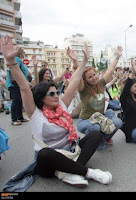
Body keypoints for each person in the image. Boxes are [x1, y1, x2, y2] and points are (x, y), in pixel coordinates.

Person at [0, 35, 112, 190]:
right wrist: (11, 62)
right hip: (49, 162)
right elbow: (25, 88)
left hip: (70, 152)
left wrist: (83, 61)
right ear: (41, 98)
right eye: (51, 94)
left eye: (56, 93)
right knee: (44, 154)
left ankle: (71, 172)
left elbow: (74, 81)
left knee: (96, 134)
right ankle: (88, 173)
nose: (56, 96)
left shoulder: (61, 105)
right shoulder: (35, 113)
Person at [76, 46, 123, 151]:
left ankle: (105, 138)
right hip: (85, 120)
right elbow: (77, 77)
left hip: (101, 118)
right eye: (90, 77)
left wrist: (117, 56)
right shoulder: (83, 89)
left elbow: (110, 70)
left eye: (94, 75)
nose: (94, 78)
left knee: (118, 122)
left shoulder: (100, 83)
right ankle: (88, 142)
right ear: (85, 80)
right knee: (95, 127)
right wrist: (79, 61)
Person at [5, 48, 29, 125]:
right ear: (20, 53)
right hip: (14, 84)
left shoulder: (19, 60)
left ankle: (20, 117)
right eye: (24, 52)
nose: (24, 54)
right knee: (16, 100)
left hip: (18, 84)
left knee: (19, 100)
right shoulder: (17, 59)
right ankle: (14, 119)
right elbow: (14, 70)